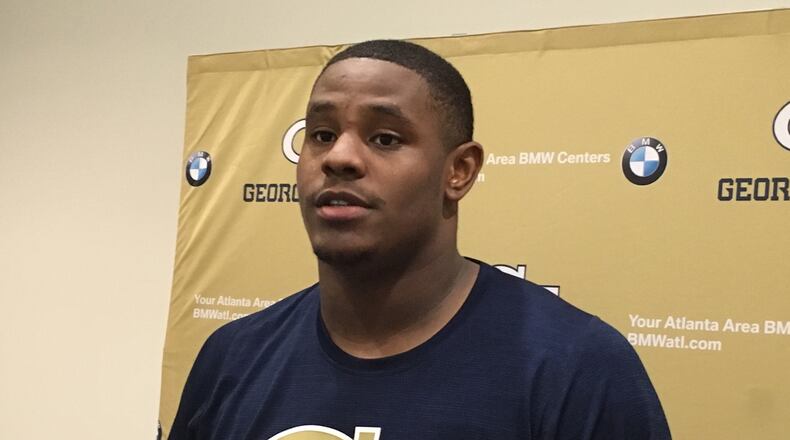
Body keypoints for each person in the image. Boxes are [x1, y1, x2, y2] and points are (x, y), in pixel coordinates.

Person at [169, 39, 671, 440]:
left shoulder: (578, 370)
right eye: (320, 133)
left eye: (385, 138)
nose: (339, 157)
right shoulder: (231, 358)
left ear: (459, 171)